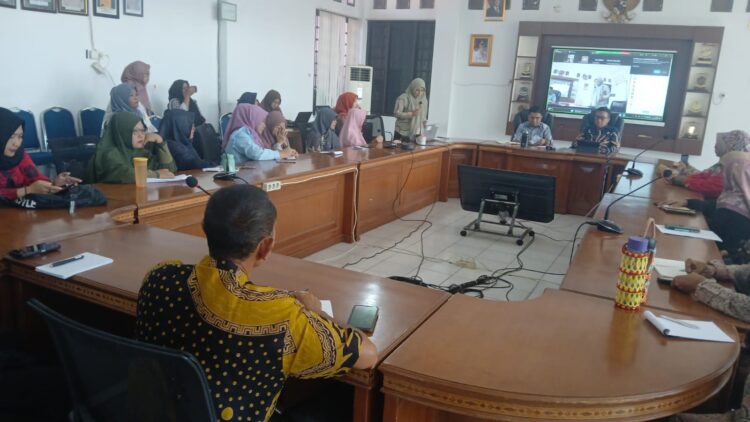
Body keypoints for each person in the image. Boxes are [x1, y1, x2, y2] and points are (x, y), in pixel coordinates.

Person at [135, 184, 378, 421]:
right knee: (339, 400)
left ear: (205, 230)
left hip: (152, 412)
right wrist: (318, 313)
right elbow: (368, 355)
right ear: (265, 246)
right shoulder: (281, 315)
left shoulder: (159, 277)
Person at [0, 107, 80, 201]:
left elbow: (36, 179)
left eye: (20, 136)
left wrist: (54, 184)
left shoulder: (20, 156)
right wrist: (27, 190)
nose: (17, 143)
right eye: (11, 137)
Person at [86, 112, 176, 183]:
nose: (141, 136)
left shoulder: (142, 152)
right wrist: (156, 175)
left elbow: (169, 171)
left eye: (142, 131)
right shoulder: (107, 154)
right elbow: (124, 174)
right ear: (121, 133)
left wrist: (161, 143)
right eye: (135, 132)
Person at [661, 130, 750, 200]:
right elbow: (704, 176)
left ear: (730, 147)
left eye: (720, 144)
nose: (715, 146)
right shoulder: (726, 164)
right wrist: (682, 177)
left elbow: (711, 186)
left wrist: (684, 180)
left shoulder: (734, 169)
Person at [709, 151, 750, 256]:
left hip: (721, 259)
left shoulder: (730, 206)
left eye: (723, 169)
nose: (721, 174)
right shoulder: (734, 198)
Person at [223, 104, 297, 162]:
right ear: (252, 119)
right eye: (261, 121)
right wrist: (282, 153)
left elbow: (266, 153)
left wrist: (288, 151)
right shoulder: (239, 135)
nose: (264, 125)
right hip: (235, 175)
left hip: (247, 172)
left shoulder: (253, 135)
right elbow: (257, 154)